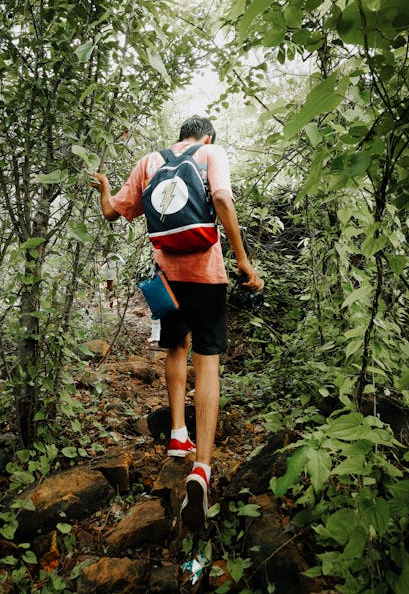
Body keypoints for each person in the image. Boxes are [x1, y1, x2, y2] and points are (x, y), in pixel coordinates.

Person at [91, 115, 262, 531]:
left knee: (174, 349)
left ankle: (177, 435)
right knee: (207, 360)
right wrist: (242, 259)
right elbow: (221, 200)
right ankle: (200, 468)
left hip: (166, 278)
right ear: (207, 135)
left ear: (180, 134)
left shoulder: (150, 160)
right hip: (206, 275)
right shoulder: (211, 153)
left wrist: (105, 188)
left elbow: (113, 213)